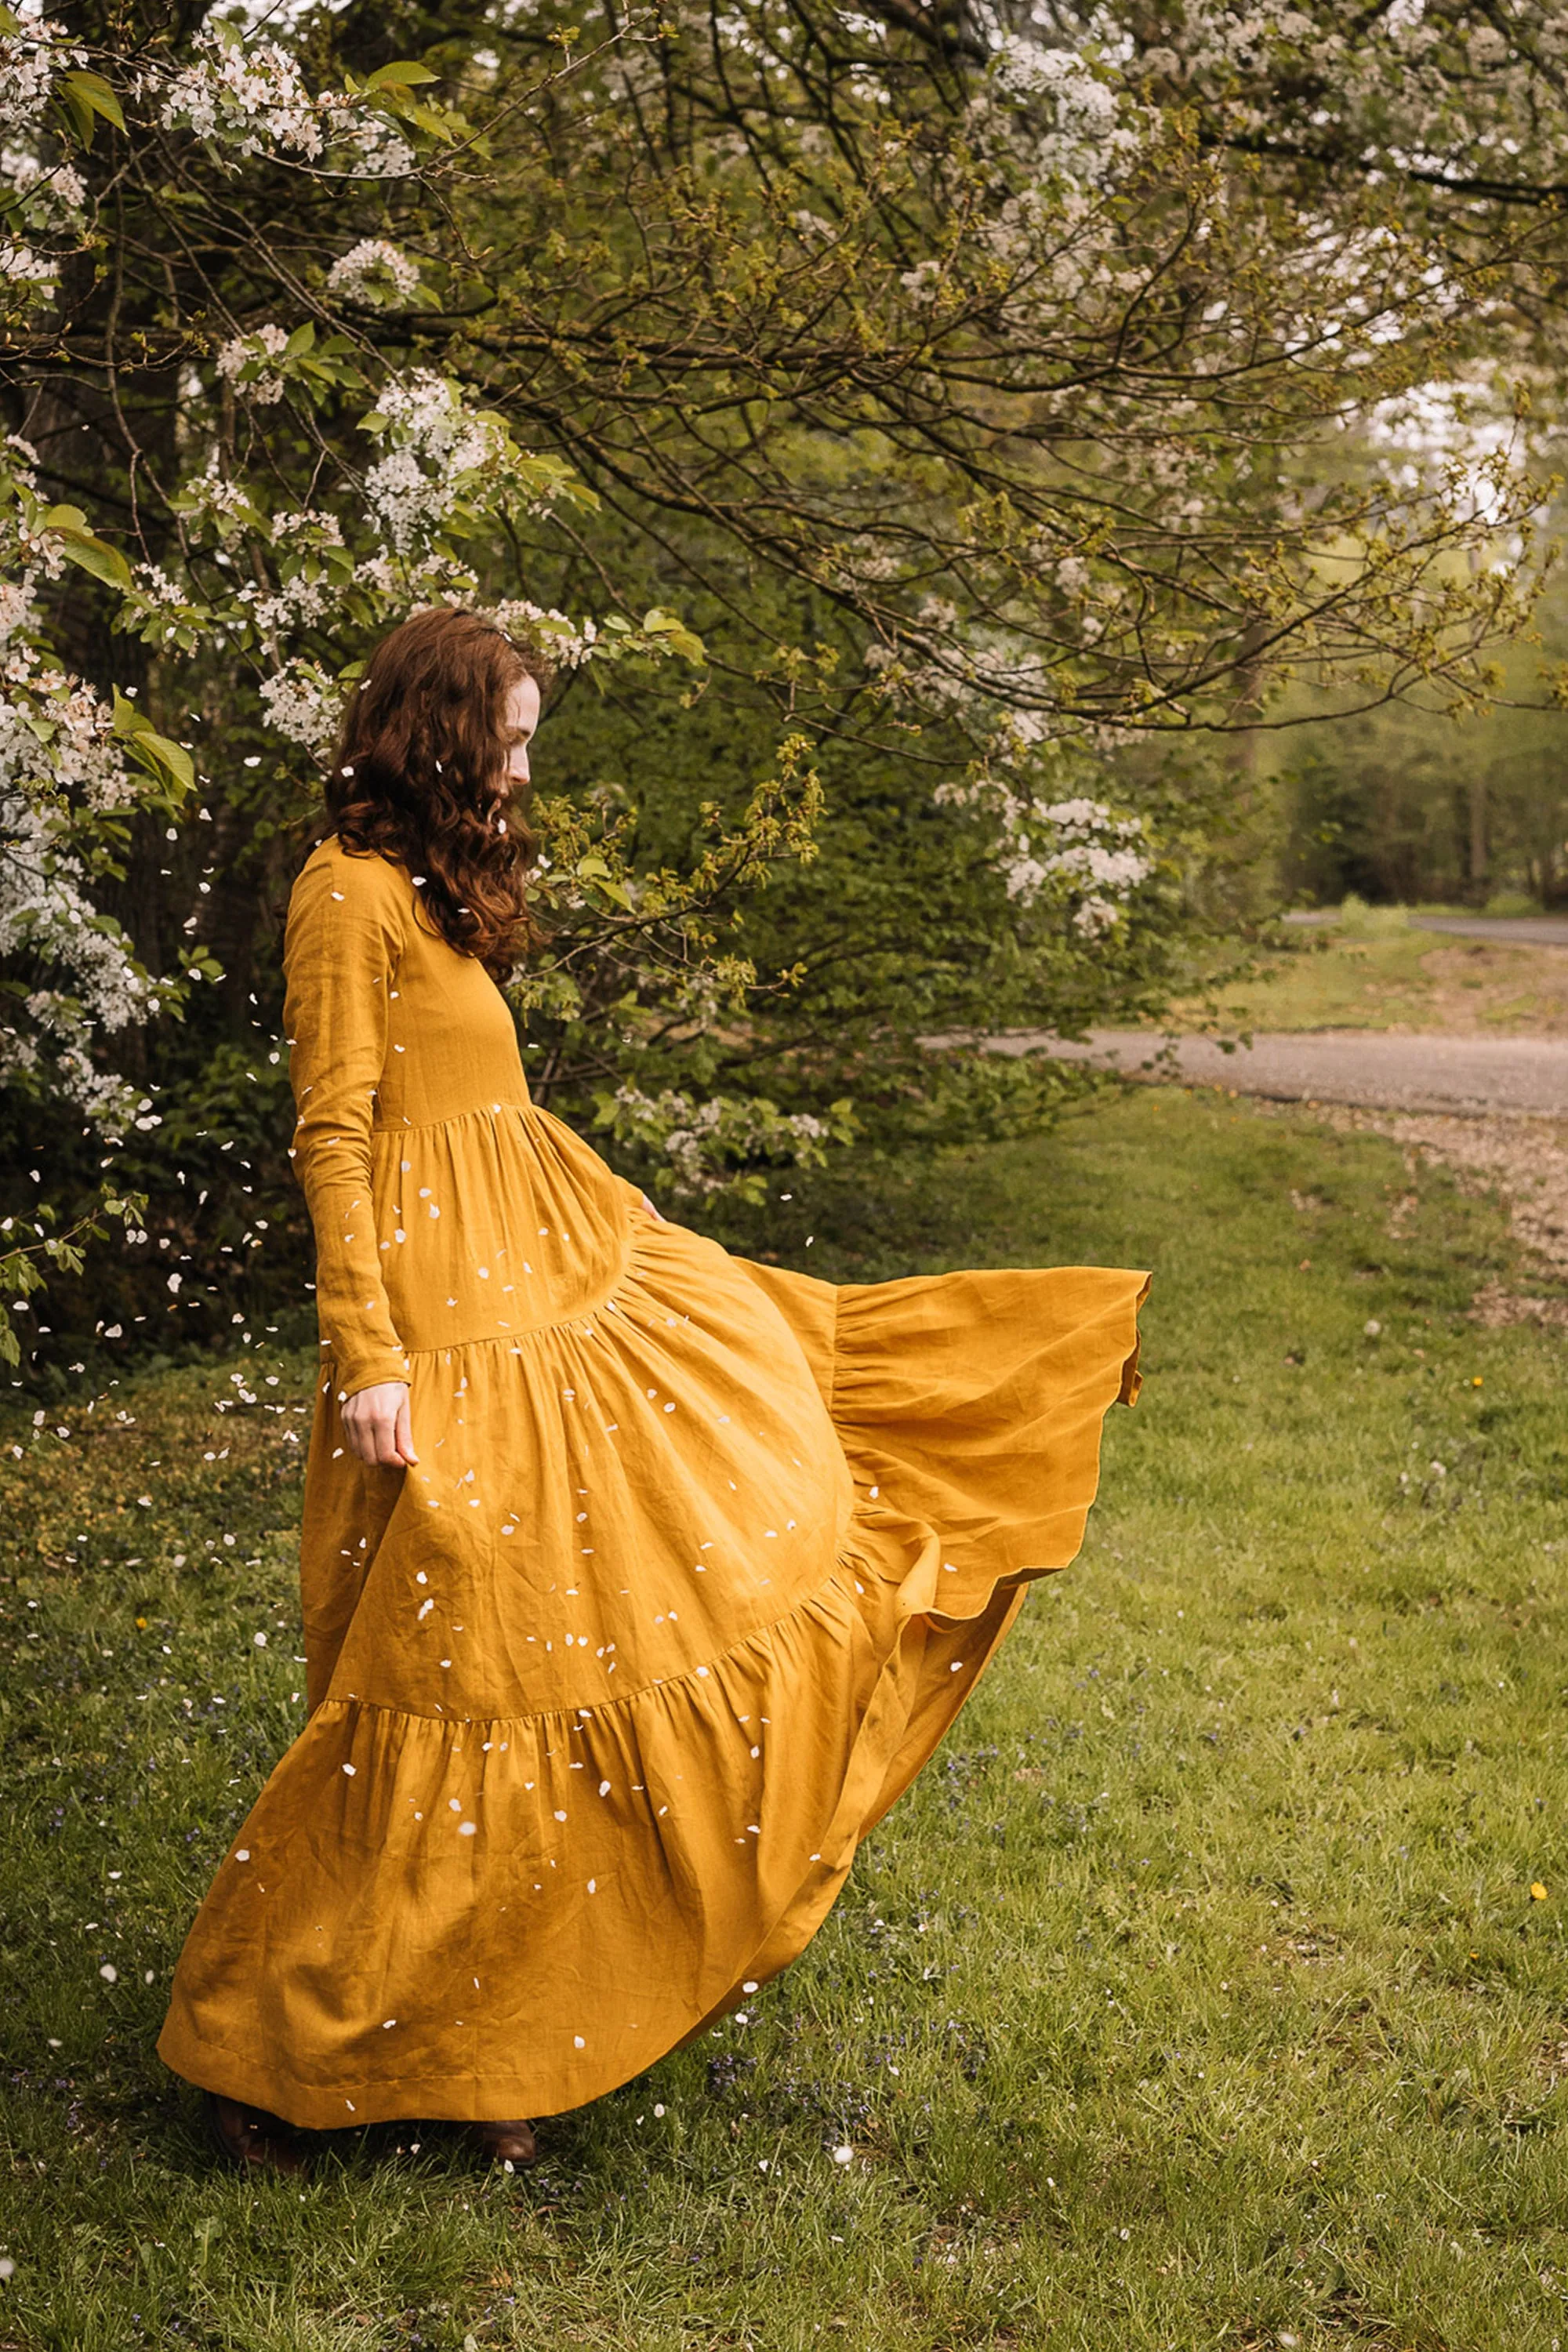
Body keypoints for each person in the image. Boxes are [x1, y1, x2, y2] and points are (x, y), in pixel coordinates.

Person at [157, 604, 1149, 2173]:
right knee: (454, 1680)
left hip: (548, 1280)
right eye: (512, 739)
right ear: (438, 735)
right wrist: (368, 1361)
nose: (524, 769)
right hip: (441, 1340)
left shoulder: (434, 892)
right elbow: (335, 1136)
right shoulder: (344, 901)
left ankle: (495, 2051)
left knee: (578, 1640)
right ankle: (286, 2054)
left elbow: (480, 1113)